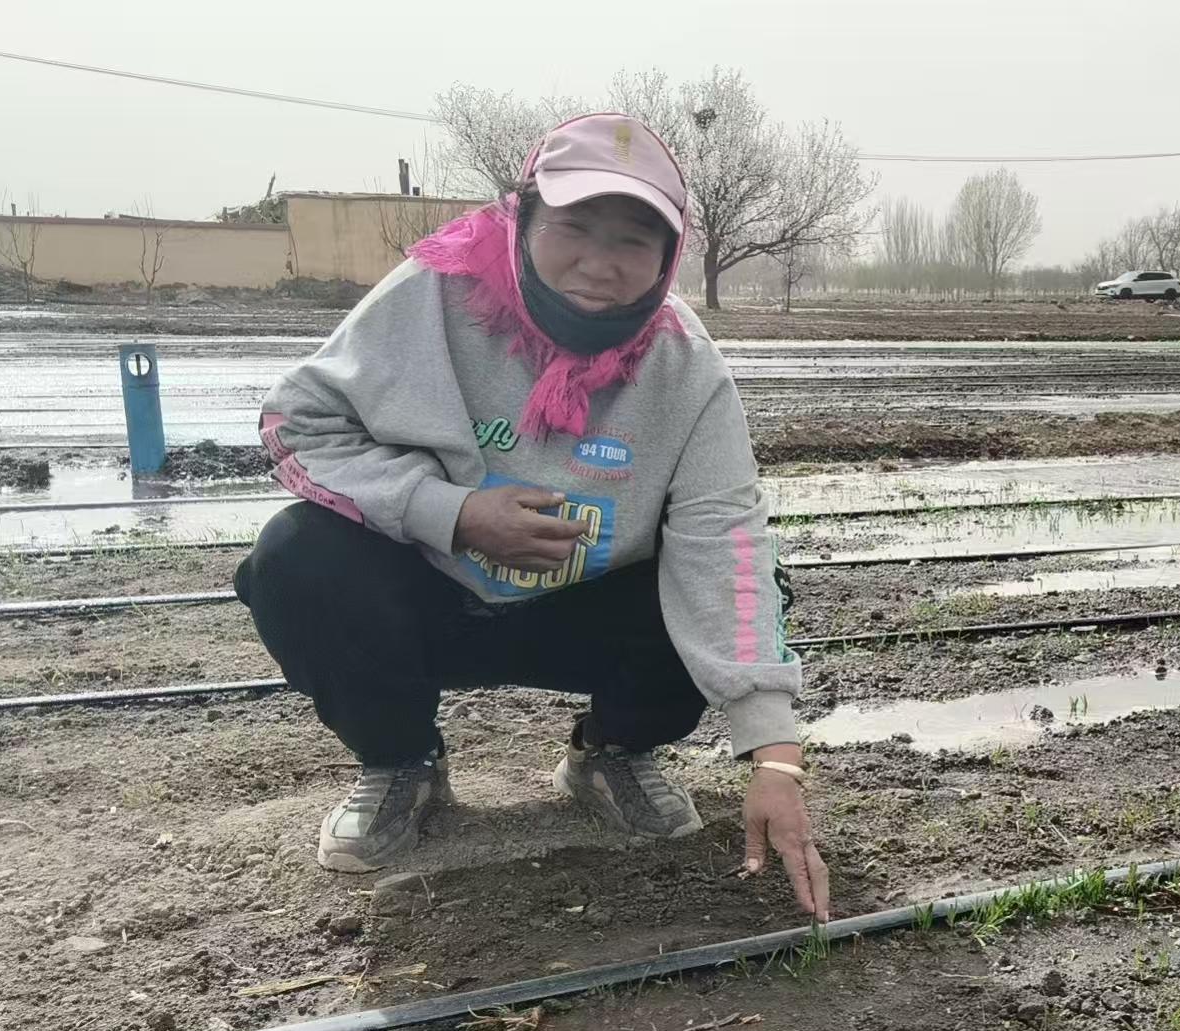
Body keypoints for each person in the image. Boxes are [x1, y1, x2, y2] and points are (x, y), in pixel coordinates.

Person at [233, 113, 827, 921]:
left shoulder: (686, 368)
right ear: (522, 217)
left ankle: (610, 754)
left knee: (747, 586)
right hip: (430, 596)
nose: (600, 264)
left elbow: (725, 539)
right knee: (295, 557)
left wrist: (775, 754)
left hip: (582, 612)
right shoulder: (429, 297)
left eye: (633, 241)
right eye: (574, 227)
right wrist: (451, 513)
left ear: (668, 256)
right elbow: (297, 424)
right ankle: (403, 763)